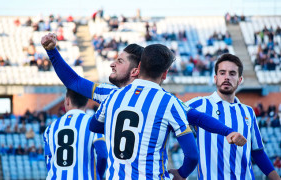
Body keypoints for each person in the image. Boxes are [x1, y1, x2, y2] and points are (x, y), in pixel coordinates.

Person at [41, 33, 246, 144]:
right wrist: (52, 52)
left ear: (135, 71)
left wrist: (229, 132)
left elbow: (199, 118)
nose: (112, 64)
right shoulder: (113, 93)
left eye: (119, 61)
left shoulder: (115, 96)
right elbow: (74, 82)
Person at [90, 44, 198, 179]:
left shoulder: (113, 96)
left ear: (139, 66)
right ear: (165, 74)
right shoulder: (169, 102)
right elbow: (192, 155)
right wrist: (182, 174)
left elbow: (93, 126)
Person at [186, 53, 280, 180]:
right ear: (215, 78)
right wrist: (182, 172)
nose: (226, 77)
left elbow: (257, 152)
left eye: (232, 73)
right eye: (222, 73)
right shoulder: (200, 104)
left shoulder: (248, 112)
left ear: (240, 80)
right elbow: (170, 115)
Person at [43, 88, 107, 180]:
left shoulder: (50, 128)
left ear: (67, 101)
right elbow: (103, 154)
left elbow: (48, 160)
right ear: (87, 102)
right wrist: (98, 175)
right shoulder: (94, 124)